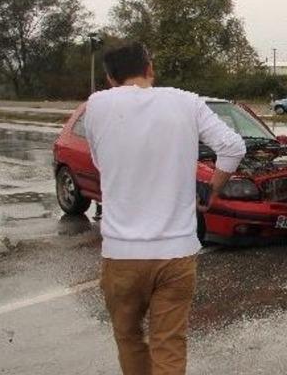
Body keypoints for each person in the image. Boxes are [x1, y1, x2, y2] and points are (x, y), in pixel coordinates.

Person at [84, 42, 246, 375]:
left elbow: (101, 163)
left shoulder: (97, 106)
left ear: (110, 78)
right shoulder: (187, 102)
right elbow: (232, 147)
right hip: (176, 253)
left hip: (121, 255)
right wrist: (211, 190)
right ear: (150, 69)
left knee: (129, 340)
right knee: (169, 344)